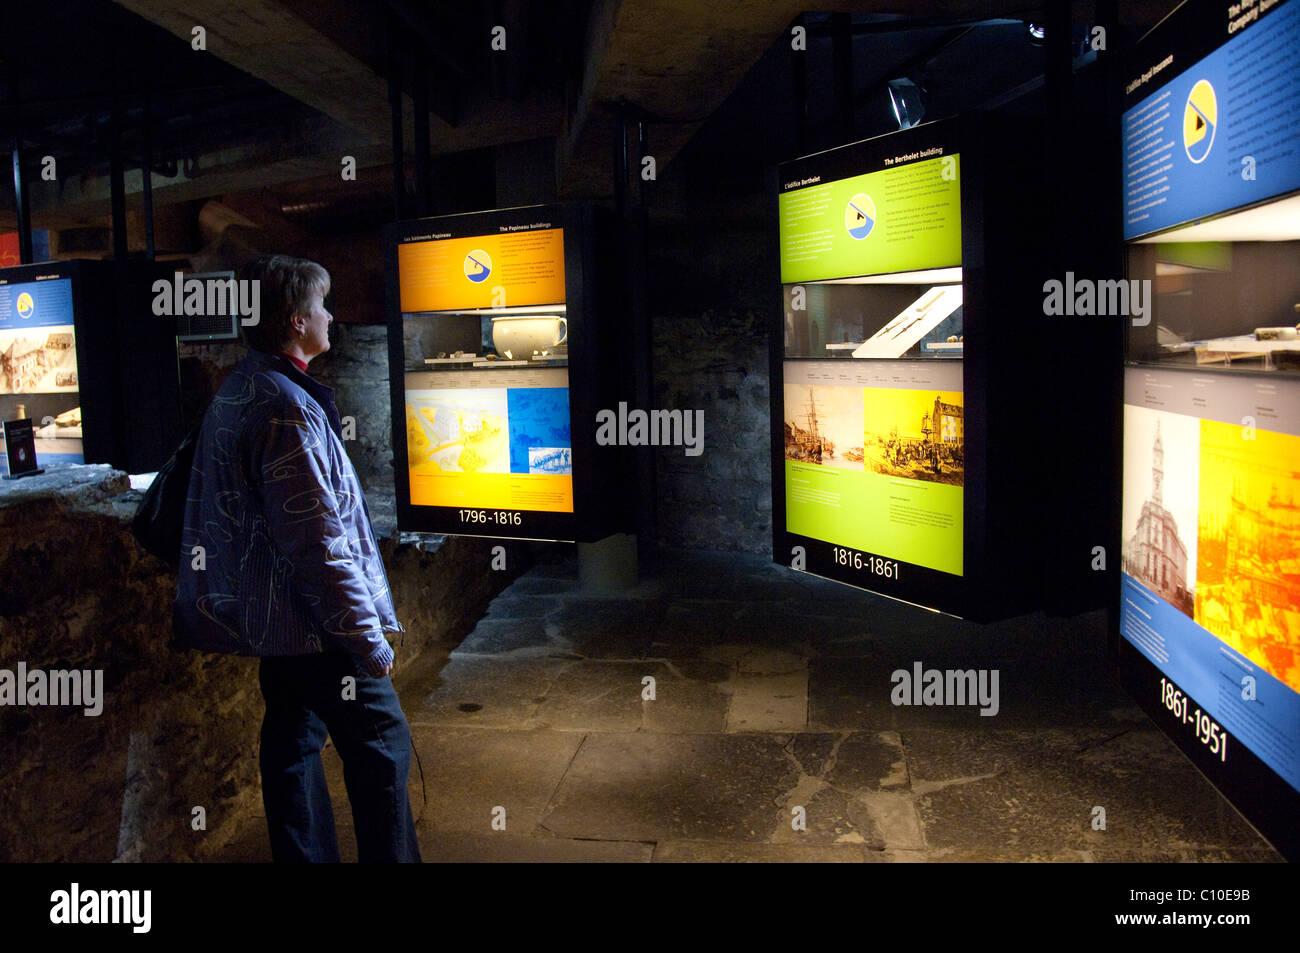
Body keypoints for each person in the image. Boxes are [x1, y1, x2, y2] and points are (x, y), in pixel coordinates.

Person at [173, 255, 420, 863]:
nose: (331, 316)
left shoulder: (242, 386)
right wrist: (366, 637)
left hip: (276, 623)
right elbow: (317, 541)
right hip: (318, 627)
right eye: (321, 306)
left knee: (291, 748)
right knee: (384, 749)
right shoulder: (286, 407)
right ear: (293, 319)